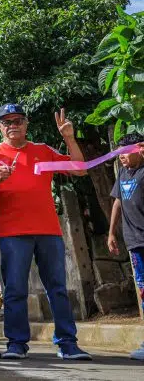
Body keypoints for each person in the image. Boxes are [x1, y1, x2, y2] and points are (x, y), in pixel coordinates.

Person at [0, 104, 91, 361]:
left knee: (58, 288)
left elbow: (80, 169)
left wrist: (69, 138)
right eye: (7, 122)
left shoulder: (43, 150)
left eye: (18, 120)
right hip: (12, 233)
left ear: (26, 123)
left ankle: (68, 344)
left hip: (48, 231)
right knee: (15, 290)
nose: (13, 125)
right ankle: (16, 344)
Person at [109, 133, 144, 361]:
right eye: (119, 153)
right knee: (143, 292)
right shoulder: (122, 173)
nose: (121, 157)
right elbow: (118, 202)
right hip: (135, 242)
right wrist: (111, 232)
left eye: (126, 152)